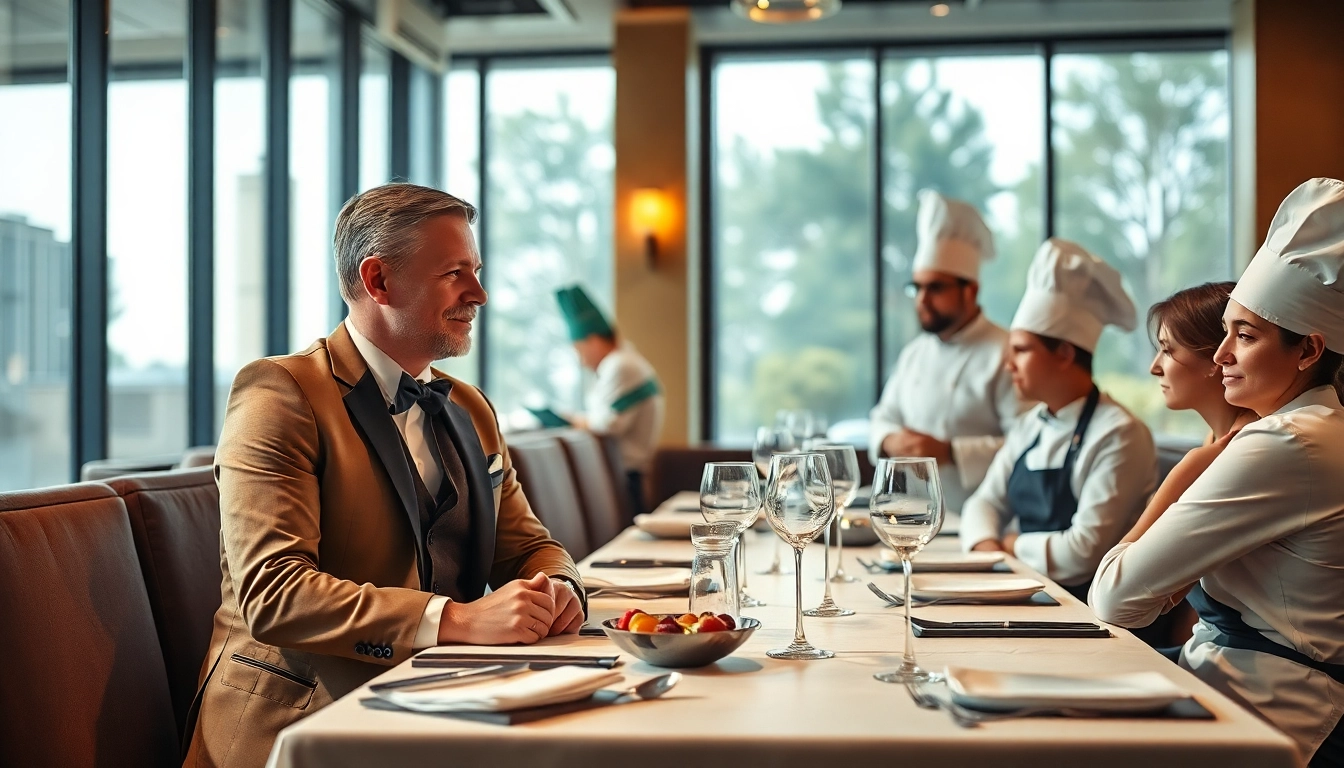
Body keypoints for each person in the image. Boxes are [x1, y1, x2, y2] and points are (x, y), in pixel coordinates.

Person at [184, 184, 586, 768]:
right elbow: (275, 594)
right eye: (455, 273)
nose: (480, 293)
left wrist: (561, 590)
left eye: (475, 270)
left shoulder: (470, 408)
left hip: (446, 707)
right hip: (303, 726)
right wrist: (458, 620)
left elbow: (530, 546)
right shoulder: (279, 393)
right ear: (378, 281)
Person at [1090, 178, 1344, 767]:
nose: (1222, 354)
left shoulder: (1286, 442)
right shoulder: (1314, 428)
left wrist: (1181, 476)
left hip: (1276, 712)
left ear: (1307, 350)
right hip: (1234, 685)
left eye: (1245, 336)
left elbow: (1115, 597)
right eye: (1224, 331)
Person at [960, 238, 1156, 600]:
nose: (1008, 365)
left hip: (1087, 612)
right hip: (1029, 595)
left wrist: (1013, 545)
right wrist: (987, 547)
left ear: (1064, 353)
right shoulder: (1030, 425)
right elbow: (983, 502)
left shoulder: (1120, 434)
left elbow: (1083, 553)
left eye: (1020, 351)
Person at [869, 190, 1029, 513]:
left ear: (970, 290)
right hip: (907, 517)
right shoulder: (914, 353)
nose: (922, 300)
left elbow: (1028, 443)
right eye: (917, 287)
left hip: (980, 524)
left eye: (936, 287)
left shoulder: (1007, 352)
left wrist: (951, 452)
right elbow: (882, 417)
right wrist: (889, 441)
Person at [555, 284, 665, 516]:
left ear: (593, 340)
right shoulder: (624, 363)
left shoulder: (621, 365)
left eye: (579, 350)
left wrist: (574, 421)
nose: (581, 361)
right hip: (626, 474)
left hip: (625, 476)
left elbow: (607, 426)